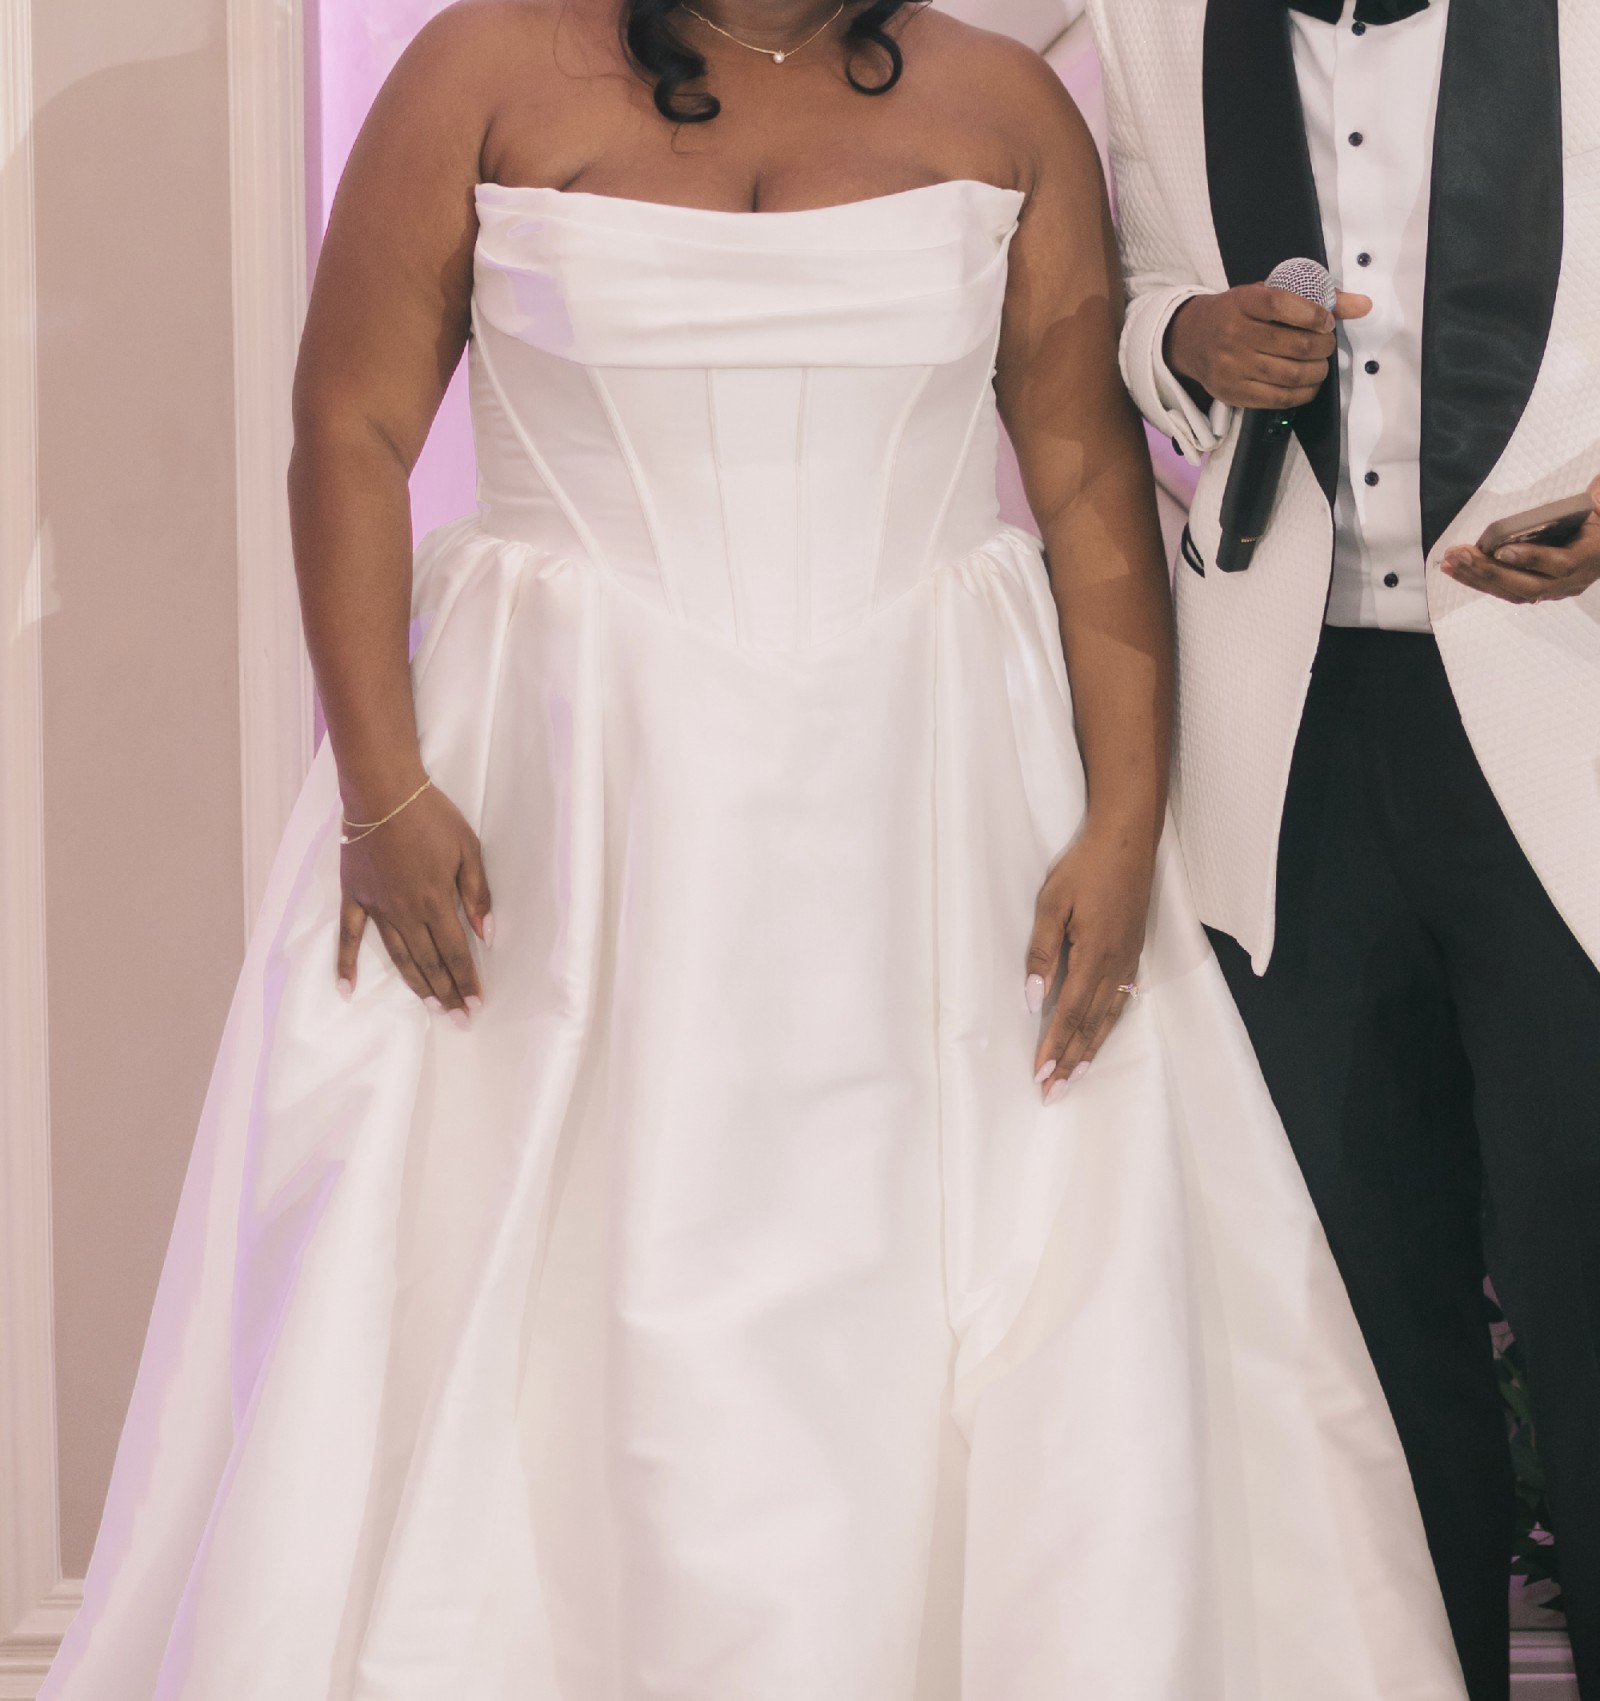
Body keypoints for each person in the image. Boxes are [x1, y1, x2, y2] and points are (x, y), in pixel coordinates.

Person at [45, 2, 1468, 1696]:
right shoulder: (478, 72)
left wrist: (1119, 818)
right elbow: (350, 427)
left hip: (937, 796)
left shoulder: (1006, 102)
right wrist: (381, 790)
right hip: (559, 800)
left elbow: (1086, 477)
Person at [1086, 0, 1600, 1697]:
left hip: (1571, 724)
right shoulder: (1149, 22)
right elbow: (1121, 296)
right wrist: (1189, 339)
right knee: (1357, 1320)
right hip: (1283, 744)